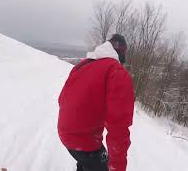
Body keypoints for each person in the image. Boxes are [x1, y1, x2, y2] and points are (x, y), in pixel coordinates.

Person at [57, 34, 135, 171]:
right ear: (121, 55)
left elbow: (61, 99)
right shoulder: (117, 72)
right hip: (85, 141)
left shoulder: (81, 65)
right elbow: (119, 127)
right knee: (98, 163)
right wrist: (117, 167)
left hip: (65, 134)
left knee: (86, 161)